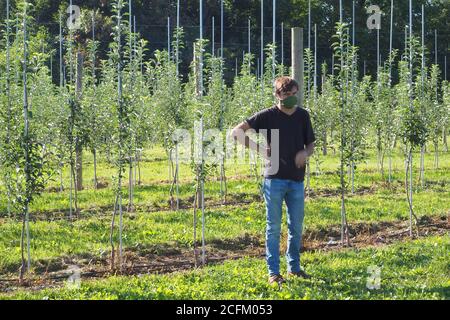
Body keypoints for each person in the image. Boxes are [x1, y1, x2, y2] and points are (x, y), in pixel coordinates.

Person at [231, 76, 315, 285]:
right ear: (278, 95)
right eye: (287, 95)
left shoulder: (303, 116)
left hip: (296, 179)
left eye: (294, 94)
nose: (291, 98)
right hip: (274, 179)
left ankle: (294, 268)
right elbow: (236, 133)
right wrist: (260, 150)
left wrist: (305, 154)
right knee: (274, 227)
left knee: (296, 226)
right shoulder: (268, 116)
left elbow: (310, 145)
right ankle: (273, 273)